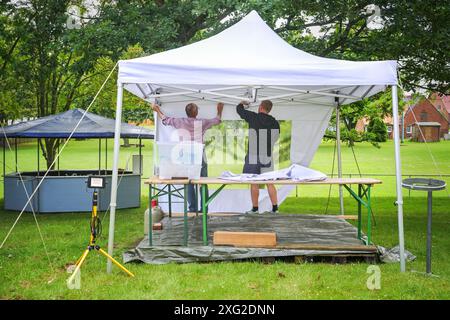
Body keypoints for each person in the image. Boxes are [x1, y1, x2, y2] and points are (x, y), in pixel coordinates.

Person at [152, 102, 224, 212]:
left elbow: (165, 119)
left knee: (189, 183)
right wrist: (219, 110)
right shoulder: (202, 122)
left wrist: (157, 110)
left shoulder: (180, 122)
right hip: (200, 154)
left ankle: (192, 209)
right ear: (196, 112)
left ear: (187, 112)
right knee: (203, 182)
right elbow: (217, 120)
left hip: (186, 155)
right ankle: (204, 209)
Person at [236, 100, 280, 214]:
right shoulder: (275, 123)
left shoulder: (253, 117)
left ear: (260, 107)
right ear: (269, 109)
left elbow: (239, 110)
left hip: (253, 155)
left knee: (254, 182)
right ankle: (275, 209)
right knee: (269, 182)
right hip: (267, 155)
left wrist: (242, 103)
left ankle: (255, 209)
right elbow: (275, 138)